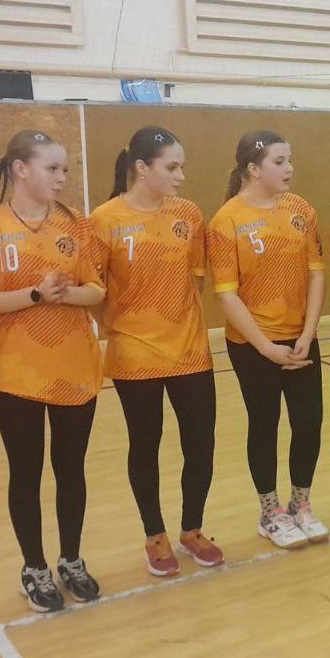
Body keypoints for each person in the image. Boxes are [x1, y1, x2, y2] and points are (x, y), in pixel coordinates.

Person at [0, 130, 106, 612]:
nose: (62, 178)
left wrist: (66, 294)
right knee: (26, 473)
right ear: (20, 169)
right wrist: (34, 294)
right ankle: (34, 567)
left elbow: (96, 290)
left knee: (71, 469)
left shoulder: (76, 223)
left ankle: (71, 559)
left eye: (65, 169)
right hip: (17, 374)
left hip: (75, 366)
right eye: (52, 168)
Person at [90, 126, 223, 576]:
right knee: (145, 444)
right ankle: (155, 534)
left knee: (200, 443)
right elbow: (95, 291)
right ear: (142, 168)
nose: (181, 175)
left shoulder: (189, 214)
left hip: (189, 350)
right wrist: (125, 325)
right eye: (172, 167)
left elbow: (195, 279)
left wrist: (175, 316)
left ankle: (192, 529)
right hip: (135, 354)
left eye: (182, 166)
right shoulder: (105, 219)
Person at [210, 130, 328, 549]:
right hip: (254, 345)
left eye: (289, 159)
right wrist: (265, 348)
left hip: (301, 338)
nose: (289, 168)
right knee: (265, 424)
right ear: (253, 169)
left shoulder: (301, 210)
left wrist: (308, 333)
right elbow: (227, 294)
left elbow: (316, 274)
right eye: (279, 161)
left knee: (309, 422)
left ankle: (300, 505)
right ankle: (270, 513)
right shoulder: (226, 221)